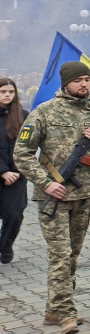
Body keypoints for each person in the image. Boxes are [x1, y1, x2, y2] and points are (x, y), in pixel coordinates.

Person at [13, 61, 90, 334]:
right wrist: (46, 183)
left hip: (85, 193)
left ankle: (53, 309)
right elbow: (22, 153)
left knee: (73, 255)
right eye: (78, 80)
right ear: (65, 82)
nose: (84, 84)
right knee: (60, 255)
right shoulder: (44, 112)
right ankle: (67, 314)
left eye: (87, 79)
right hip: (54, 196)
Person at [0, 77, 29, 264]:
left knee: (15, 214)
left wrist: (17, 170)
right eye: (3, 92)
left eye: (11, 92)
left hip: (17, 176)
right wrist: (3, 171)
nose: (7, 95)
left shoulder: (24, 115)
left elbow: (28, 145)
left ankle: (5, 246)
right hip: (2, 172)